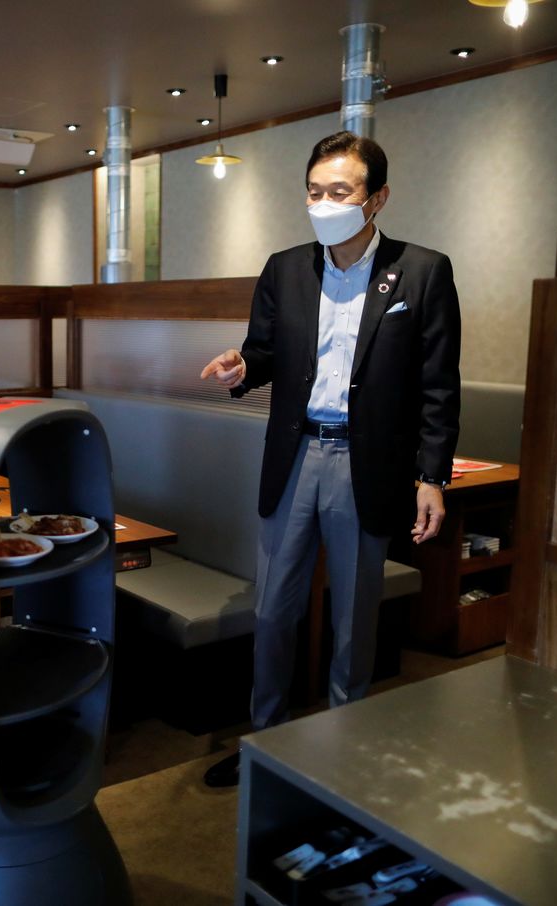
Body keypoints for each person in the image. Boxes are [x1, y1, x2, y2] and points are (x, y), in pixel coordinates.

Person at [199, 131, 461, 788]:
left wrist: (432, 476)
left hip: (365, 464)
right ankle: (268, 743)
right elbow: (262, 353)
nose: (323, 203)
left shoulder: (423, 271)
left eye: (339, 191)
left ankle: (344, 752)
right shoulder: (285, 267)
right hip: (294, 456)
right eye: (314, 192)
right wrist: (240, 366)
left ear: (376, 199)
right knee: (274, 610)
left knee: (354, 615)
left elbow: (438, 384)